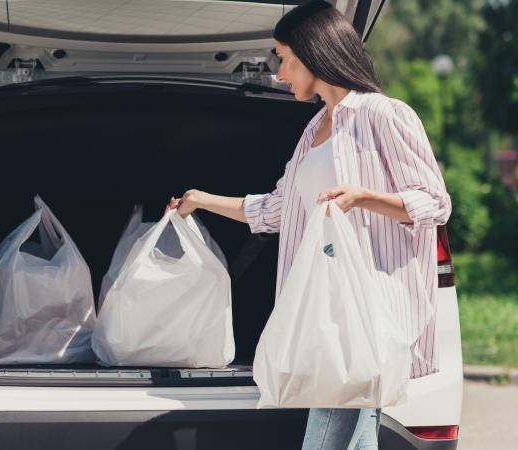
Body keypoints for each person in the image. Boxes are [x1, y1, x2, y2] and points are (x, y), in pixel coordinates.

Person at [166, 1, 451, 448]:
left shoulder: (384, 115)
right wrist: (201, 201)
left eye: (283, 57)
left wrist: (364, 198)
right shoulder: (314, 129)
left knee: (339, 424)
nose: (279, 73)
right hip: (326, 308)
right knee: (347, 428)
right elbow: (277, 210)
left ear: (311, 51)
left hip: (368, 304)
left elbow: (435, 202)